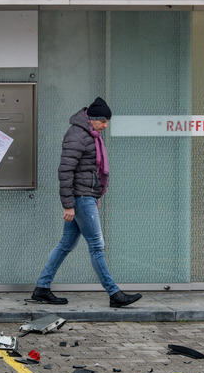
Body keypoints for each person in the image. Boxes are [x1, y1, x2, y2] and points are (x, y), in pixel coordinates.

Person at [31, 97, 142, 308]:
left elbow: (91, 171)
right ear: (94, 119)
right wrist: (68, 205)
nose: (106, 125)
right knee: (97, 246)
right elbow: (65, 171)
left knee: (65, 244)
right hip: (80, 198)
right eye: (104, 121)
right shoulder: (77, 136)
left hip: (86, 196)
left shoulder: (91, 135)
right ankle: (114, 294)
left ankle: (42, 288)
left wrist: (96, 195)